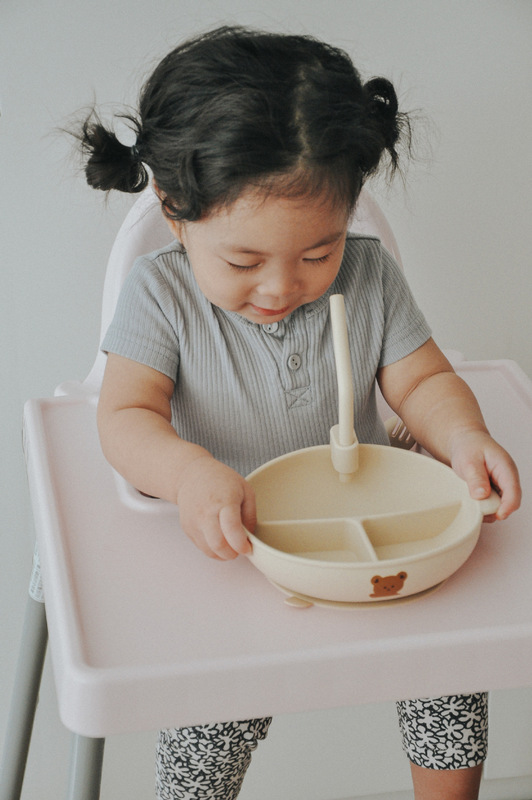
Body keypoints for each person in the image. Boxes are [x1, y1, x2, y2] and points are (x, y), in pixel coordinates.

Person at [75, 25, 521, 800]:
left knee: (451, 674)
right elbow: (125, 418)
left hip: (367, 533)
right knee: (209, 717)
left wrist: (464, 435)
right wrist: (188, 474)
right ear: (175, 214)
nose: (283, 287)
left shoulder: (370, 274)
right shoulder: (161, 293)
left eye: (318, 252)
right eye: (243, 261)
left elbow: (422, 381)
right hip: (227, 548)